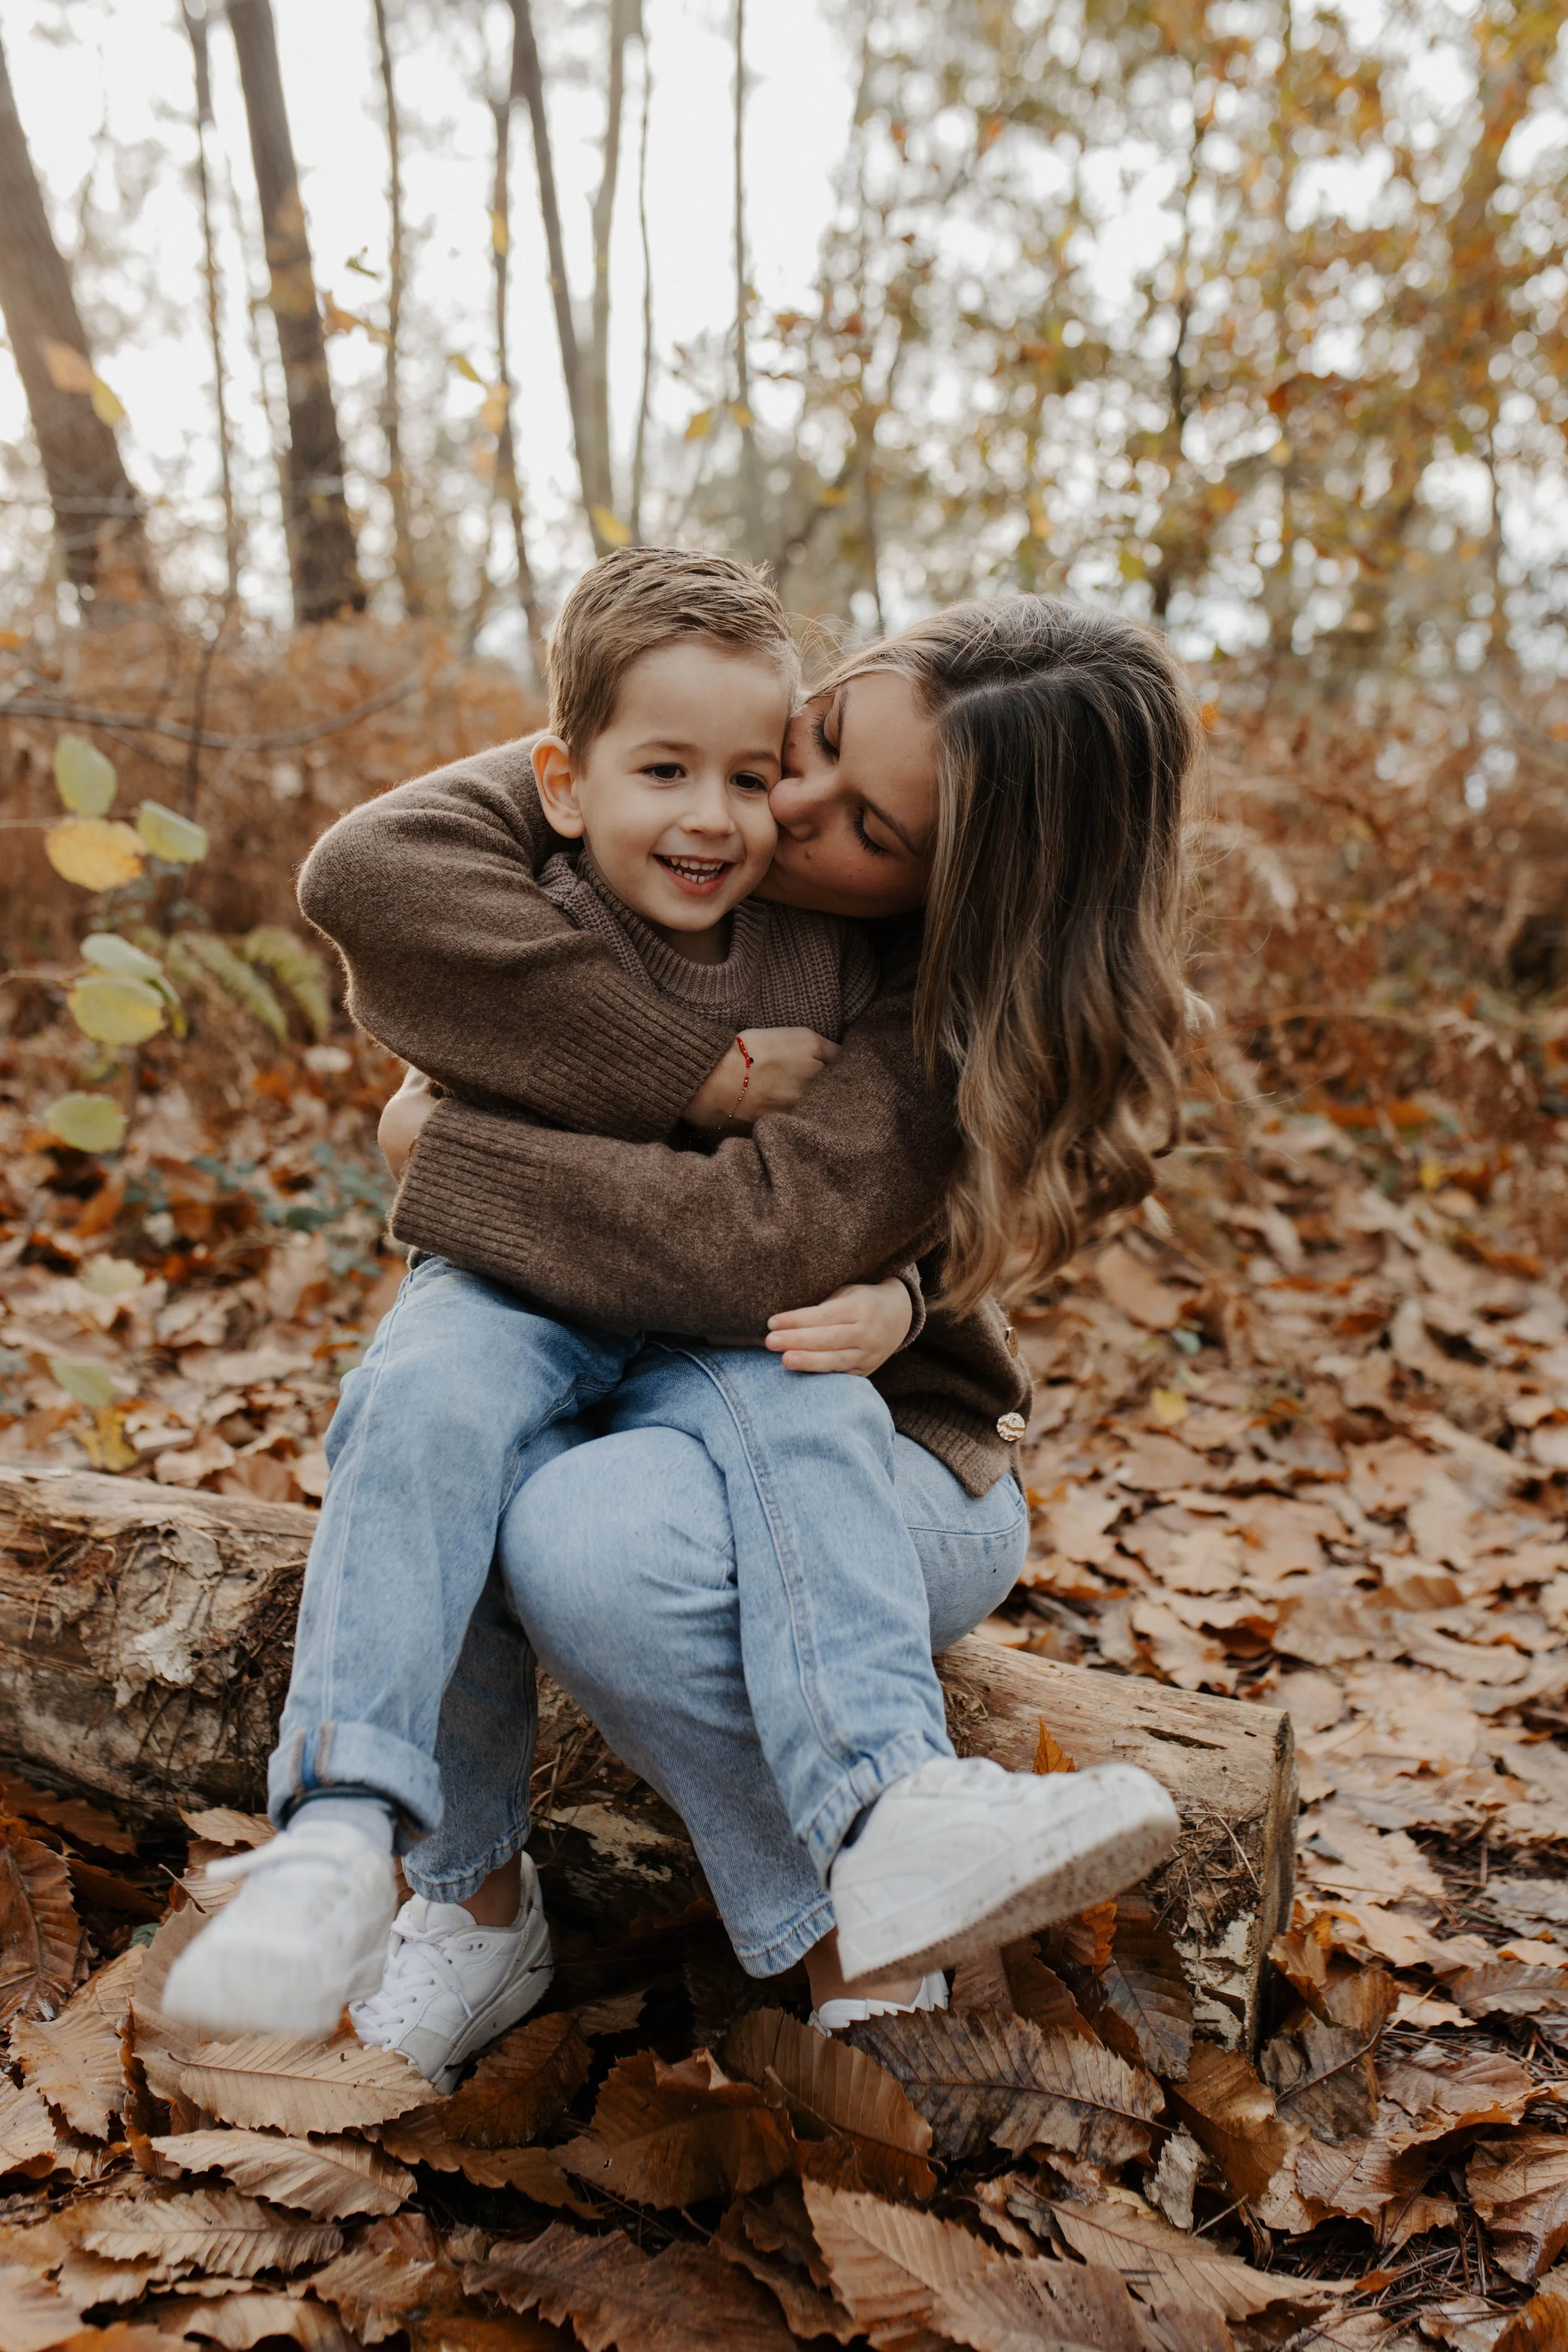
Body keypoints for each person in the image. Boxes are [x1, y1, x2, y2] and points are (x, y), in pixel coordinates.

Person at [164, 556, 1183, 2061]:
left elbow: (743, 1258)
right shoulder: (690, 763)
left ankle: (870, 1901)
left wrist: (451, 1154)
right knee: (461, 1430)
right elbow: (371, 875)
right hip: (619, 1381)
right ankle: (404, 1873)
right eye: (815, 742)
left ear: (953, 883)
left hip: (872, 1444)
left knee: (604, 1525)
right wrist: (689, 1073)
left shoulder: (913, 992)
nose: (771, 806)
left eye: (862, 820)